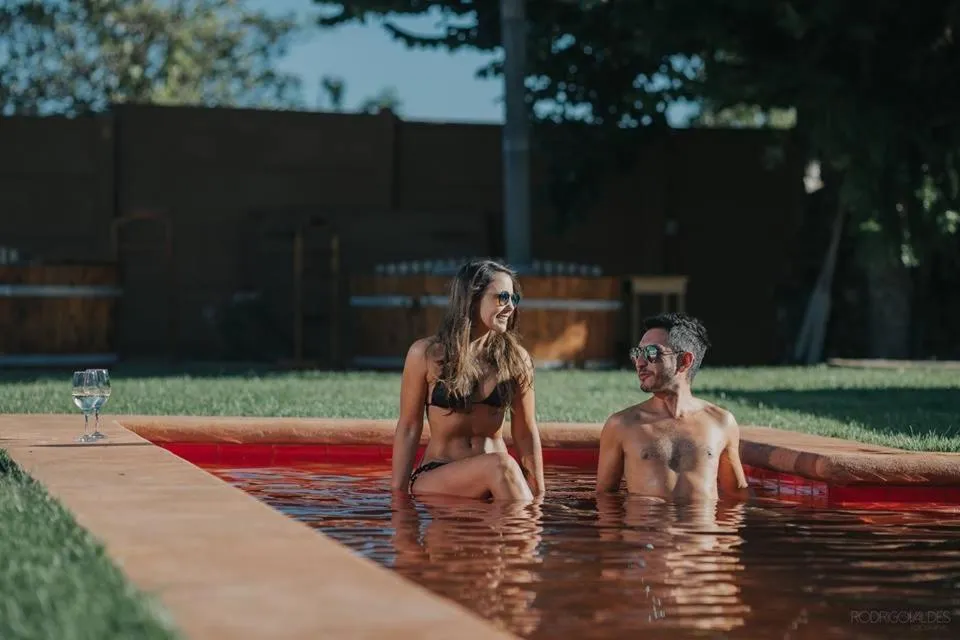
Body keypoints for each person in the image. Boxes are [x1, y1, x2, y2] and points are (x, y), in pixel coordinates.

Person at [390, 259, 545, 501]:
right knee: (502, 466)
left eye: (514, 299)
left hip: (498, 480)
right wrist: (398, 497)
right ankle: (529, 534)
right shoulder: (426, 354)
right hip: (439, 475)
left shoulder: (516, 359)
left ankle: (527, 529)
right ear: (472, 298)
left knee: (502, 469)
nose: (510, 307)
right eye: (502, 297)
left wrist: (540, 495)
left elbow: (525, 431)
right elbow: (409, 427)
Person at [596, 312, 750, 500]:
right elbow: (605, 498)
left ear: (684, 361)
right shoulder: (621, 425)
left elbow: (737, 497)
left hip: (703, 530)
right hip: (646, 529)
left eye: (651, 353)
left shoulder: (721, 423)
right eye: (637, 353)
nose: (640, 363)